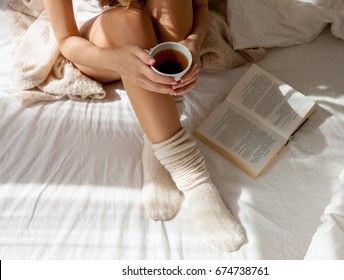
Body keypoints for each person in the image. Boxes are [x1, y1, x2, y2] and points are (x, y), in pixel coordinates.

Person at [43, 0, 244, 252]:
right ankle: (193, 176)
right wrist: (113, 57)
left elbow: (200, 8)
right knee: (130, 21)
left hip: (155, 40)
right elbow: (66, 40)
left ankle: (158, 140)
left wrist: (192, 43)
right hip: (95, 48)